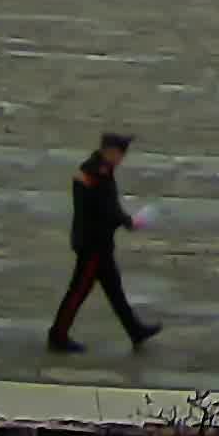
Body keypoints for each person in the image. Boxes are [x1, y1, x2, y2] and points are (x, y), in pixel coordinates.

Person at [49, 131, 159, 352]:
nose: (122, 158)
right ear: (109, 152)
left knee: (114, 290)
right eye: (120, 153)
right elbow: (107, 209)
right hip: (93, 246)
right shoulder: (97, 172)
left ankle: (135, 330)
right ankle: (58, 335)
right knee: (78, 291)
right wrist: (131, 222)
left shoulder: (96, 169)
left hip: (98, 243)